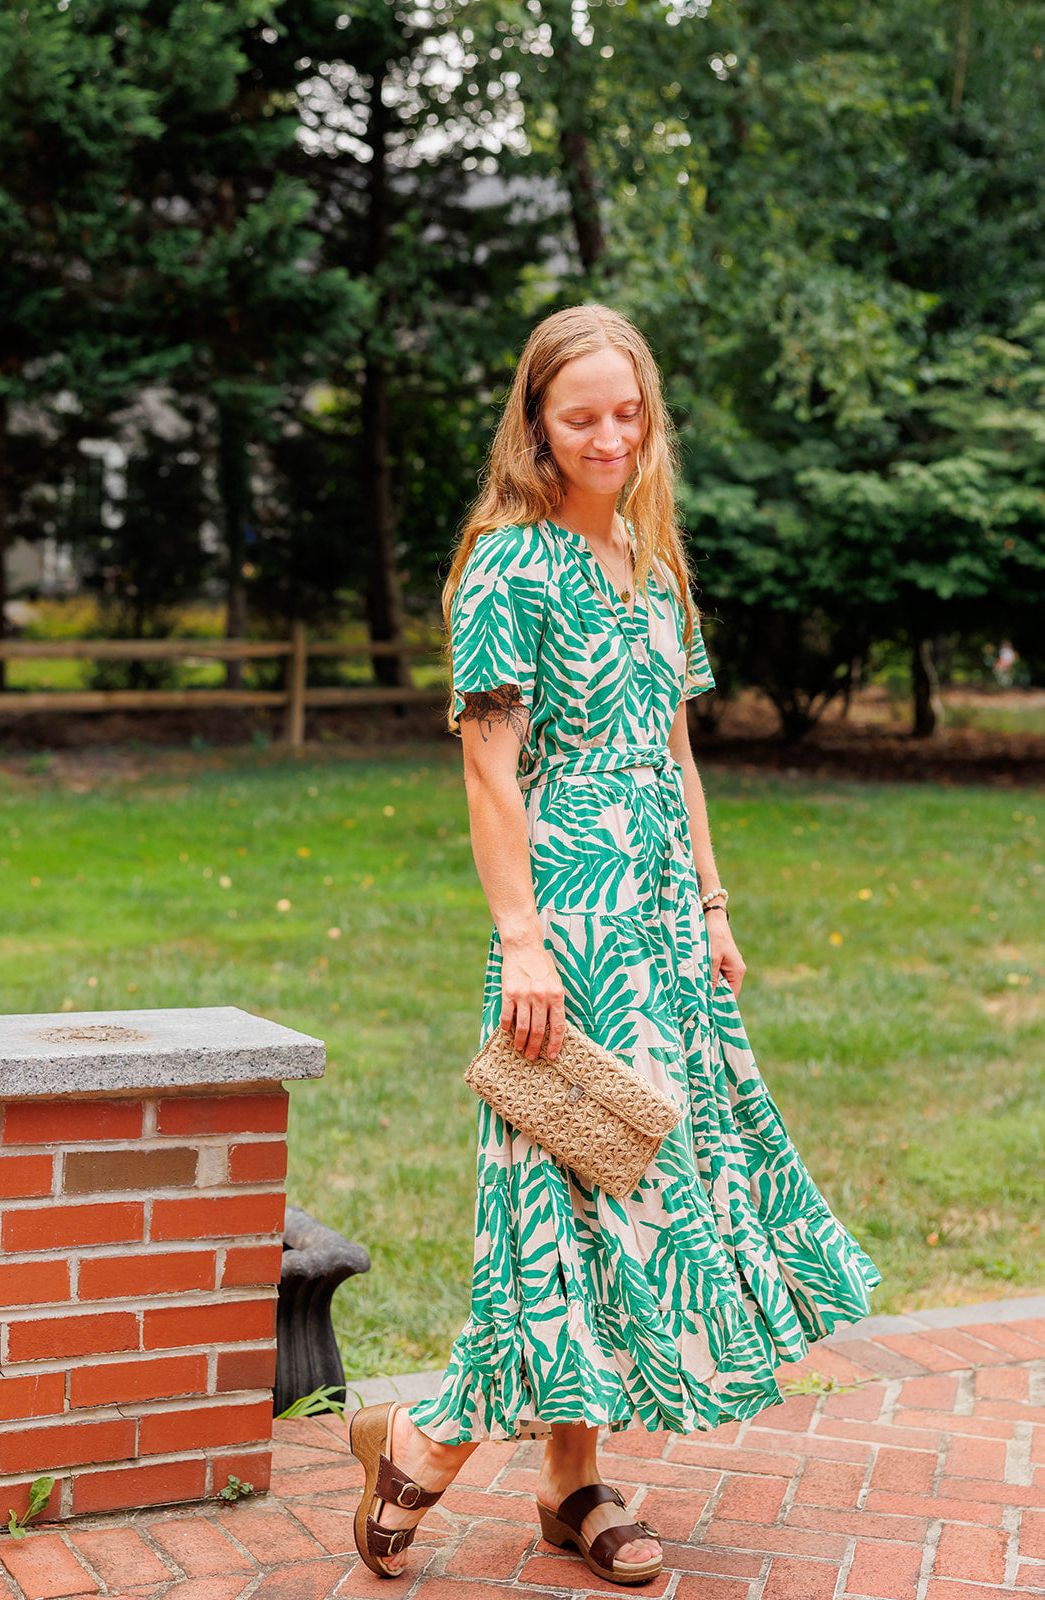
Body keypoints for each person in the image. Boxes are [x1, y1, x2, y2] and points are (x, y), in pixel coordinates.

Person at [349, 304, 880, 1586]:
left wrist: (711, 903)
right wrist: (521, 938)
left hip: (658, 920)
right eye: (578, 415)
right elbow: (488, 769)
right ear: (534, 423)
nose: (607, 437)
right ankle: (425, 1443)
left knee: (619, 1185)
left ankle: (567, 1484)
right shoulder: (506, 565)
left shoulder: (650, 561)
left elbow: (676, 752)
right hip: (569, 915)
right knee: (572, 1189)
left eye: (626, 413)